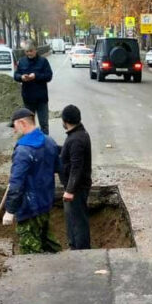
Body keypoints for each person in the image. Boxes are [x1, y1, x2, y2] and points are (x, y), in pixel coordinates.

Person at [3, 108, 62, 254]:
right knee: (46, 240)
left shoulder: (23, 150)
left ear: (22, 123)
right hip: (45, 202)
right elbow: (58, 168)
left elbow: (17, 185)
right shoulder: (49, 141)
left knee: (30, 253)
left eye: (15, 126)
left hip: (29, 208)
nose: (14, 130)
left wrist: (10, 211)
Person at [60, 105, 92, 250]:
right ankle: (74, 246)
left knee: (78, 221)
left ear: (65, 121)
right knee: (72, 219)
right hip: (74, 187)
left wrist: (70, 190)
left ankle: (82, 250)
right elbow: (71, 154)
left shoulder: (76, 139)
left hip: (77, 189)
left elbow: (76, 167)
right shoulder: (78, 135)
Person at [14, 40, 53, 135]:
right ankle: (31, 144)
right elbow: (16, 75)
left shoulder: (43, 61)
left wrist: (36, 76)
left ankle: (44, 143)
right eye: (27, 52)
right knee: (29, 125)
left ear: (35, 50)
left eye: (31, 51)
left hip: (41, 98)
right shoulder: (22, 62)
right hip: (28, 98)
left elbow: (49, 76)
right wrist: (21, 77)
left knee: (44, 124)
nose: (29, 53)